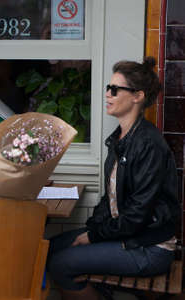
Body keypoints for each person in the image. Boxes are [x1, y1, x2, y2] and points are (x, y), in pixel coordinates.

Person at [47, 57, 180, 300]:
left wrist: (92, 237)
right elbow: (110, 200)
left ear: (137, 96)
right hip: (127, 236)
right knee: (47, 249)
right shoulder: (119, 138)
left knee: (60, 264)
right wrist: (92, 229)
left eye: (115, 89)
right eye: (108, 88)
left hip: (149, 247)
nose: (107, 94)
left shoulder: (148, 144)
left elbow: (137, 215)